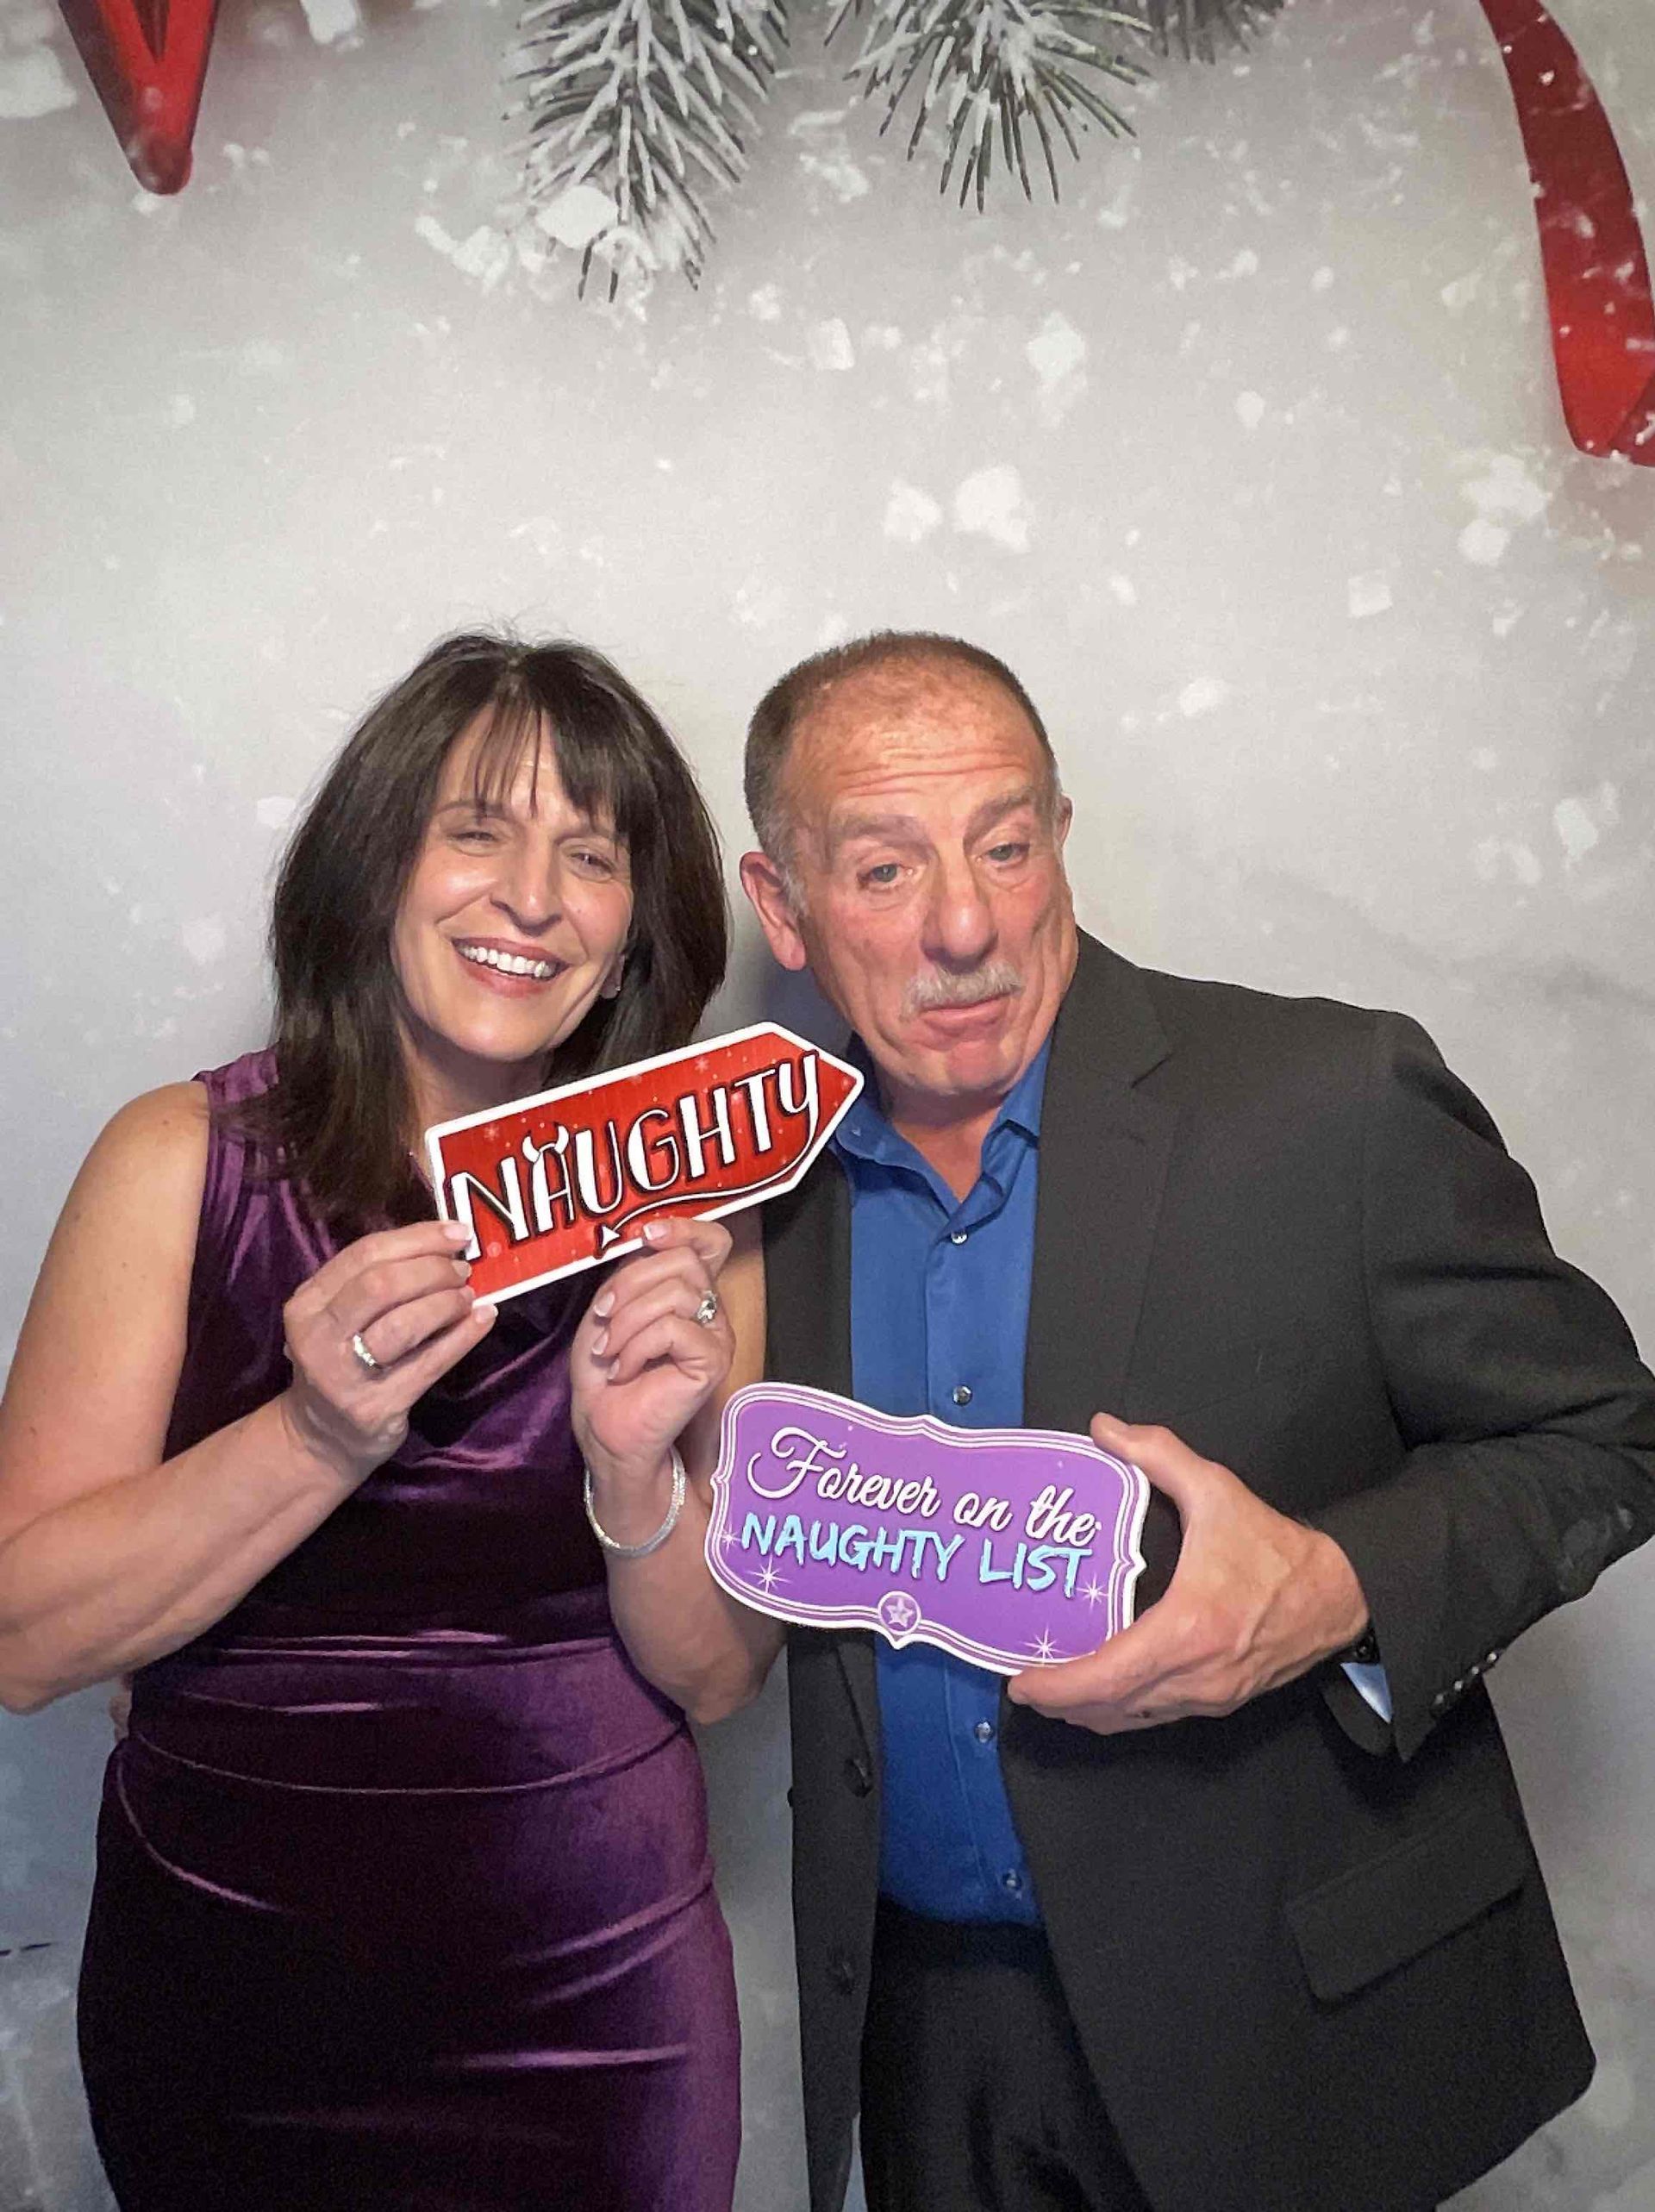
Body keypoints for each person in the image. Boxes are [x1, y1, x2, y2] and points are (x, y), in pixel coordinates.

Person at [733, 630, 1655, 2212]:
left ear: (1062, 840)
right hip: (923, 2031)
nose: (968, 923)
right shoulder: (754, 1198)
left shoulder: (1329, 1097)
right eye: (884, 871)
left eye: (1007, 845)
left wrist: (1334, 1589)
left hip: (1285, 2021)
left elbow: (1606, 1436)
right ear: (784, 910)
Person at [0, 632, 771, 2212]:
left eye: (591, 856)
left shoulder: (694, 1214)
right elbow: (21, 1640)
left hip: (595, 2012)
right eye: (474, 829)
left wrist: (634, 1467)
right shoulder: (177, 1160)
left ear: (633, 934)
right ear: (377, 869)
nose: (532, 898)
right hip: (231, 1995)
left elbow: (714, 1672)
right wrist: (313, 1438)